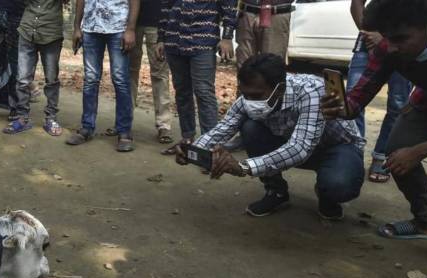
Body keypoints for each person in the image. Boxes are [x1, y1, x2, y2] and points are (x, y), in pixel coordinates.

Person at [322, 0, 427, 278]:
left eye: (400, 39)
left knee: (410, 153)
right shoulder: (390, 45)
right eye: (387, 38)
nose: (392, 47)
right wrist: (344, 107)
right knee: (397, 148)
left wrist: (420, 151)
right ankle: (426, 221)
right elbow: (361, 93)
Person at [177, 54, 364, 220]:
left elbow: (300, 148)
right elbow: (223, 128)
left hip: (337, 148)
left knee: (338, 184)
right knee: (250, 128)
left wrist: (243, 167)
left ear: (280, 89)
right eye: (245, 95)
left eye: (256, 96)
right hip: (292, 144)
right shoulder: (251, 94)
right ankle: (276, 191)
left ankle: (327, 195)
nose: (249, 101)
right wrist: (194, 150)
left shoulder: (312, 90)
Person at [156, 0, 238, 156]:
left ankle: (211, 148)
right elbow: (165, 7)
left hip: (203, 43)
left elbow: (229, 9)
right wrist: (161, 38)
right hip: (174, 42)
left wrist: (227, 37)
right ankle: (187, 140)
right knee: (182, 92)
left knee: (204, 92)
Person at [347, 0, 412, 183]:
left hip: (402, 47)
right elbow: (356, 3)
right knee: (352, 100)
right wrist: (368, 34)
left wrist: (386, 40)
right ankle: (352, 154)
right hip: (366, 45)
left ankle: (381, 156)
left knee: (398, 104)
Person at [65, 0, 140, 152]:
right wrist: (76, 27)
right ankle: (87, 127)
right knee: (91, 79)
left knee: (120, 79)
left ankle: (124, 131)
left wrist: (131, 29)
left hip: (118, 28)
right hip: (91, 28)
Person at [222, 0, 296, 152]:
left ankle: (274, 134)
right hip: (247, 12)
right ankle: (244, 133)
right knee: (244, 76)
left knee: (273, 76)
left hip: (277, 12)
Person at [3, 0, 67, 136]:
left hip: (51, 32)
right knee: (22, 78)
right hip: (27, 29)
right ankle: (22, 118)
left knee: (51, 79)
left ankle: (51, 118)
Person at [128, 0, 173, 145]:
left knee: (160, 74)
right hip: (132, 22)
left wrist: (165, 30)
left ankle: (163, 124)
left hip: (158, 22)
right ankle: (124, 120)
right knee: (129, 72)